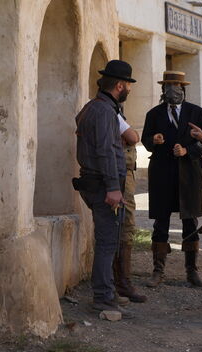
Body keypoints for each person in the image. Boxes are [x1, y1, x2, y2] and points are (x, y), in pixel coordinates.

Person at [74, 60, 135, 316]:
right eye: (128, 85)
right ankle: (103, 298)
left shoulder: (95, 107)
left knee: (108, 241)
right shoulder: (104, 111)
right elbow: (107, 152)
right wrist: (113, 187)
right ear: (120, 85)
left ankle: (107, 292)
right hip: (102, 185)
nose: (129, 89)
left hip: (97, 182)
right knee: (108, 243)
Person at [141, 71, 202, 288]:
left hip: (189, 173)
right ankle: (158, 270)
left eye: (176, 85)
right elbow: (145, 139)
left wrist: (187, 151)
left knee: (190, 221)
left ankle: (192, 270)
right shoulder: (154, 114)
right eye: (168, 85)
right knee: (161, 222)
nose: (172, 89)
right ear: (162, 90)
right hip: (162, 173)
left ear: (183, 88)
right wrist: (154, 139)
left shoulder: (197, 113)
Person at [113, 102, 147, 303]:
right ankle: (122, 283)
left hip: (125, 175)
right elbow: (134, 137)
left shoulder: (113, 113)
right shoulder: (112, 114)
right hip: (120, 176)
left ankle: (119, 281)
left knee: (123, 227)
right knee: (124, 227)